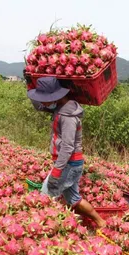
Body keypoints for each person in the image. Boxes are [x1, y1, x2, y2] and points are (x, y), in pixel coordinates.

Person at [27, 77, 106, 228]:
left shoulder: (68, 116)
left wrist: (57, 171)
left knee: (45, 197)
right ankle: (101, 223)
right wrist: (30, 85)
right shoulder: (61, 107)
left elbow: (68, 147)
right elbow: (39, 106)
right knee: (74, 199)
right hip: (71, 164)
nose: (43, 102)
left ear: (56, 96)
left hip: (68, 164)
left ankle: (47, 230)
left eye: (45, 98)